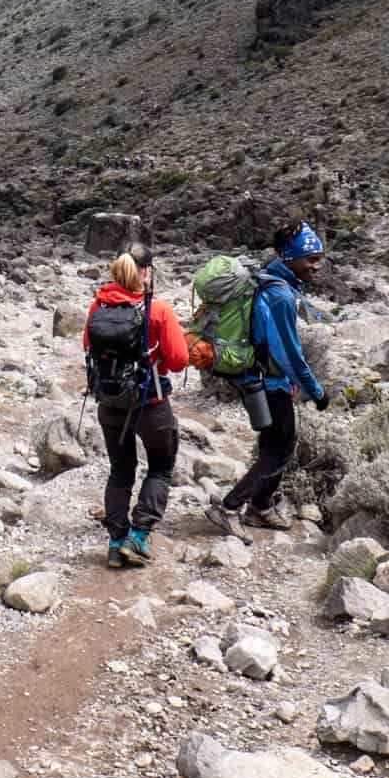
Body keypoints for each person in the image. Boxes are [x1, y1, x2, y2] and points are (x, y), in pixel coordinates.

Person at [204, 221, 329, 543]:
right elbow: (288, 352)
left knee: (274, 445)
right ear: (289, 258)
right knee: (280, 449)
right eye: (310, 259)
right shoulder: (280, 295)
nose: (317, 265)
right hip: (268, 383)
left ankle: (259, 507)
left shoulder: (269, 279)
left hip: (257, 379)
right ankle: (230, 507)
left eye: (318, 257)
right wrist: (316, 391)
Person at [83, 246, 187, 568]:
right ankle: (138, 536)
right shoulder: (157, 310)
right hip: (151, 404)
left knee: (120, 470)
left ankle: (116, 542)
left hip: (110, 403)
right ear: (146, 272)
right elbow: (179, 359)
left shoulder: (97, 306)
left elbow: (88, 346)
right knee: (160, 467)